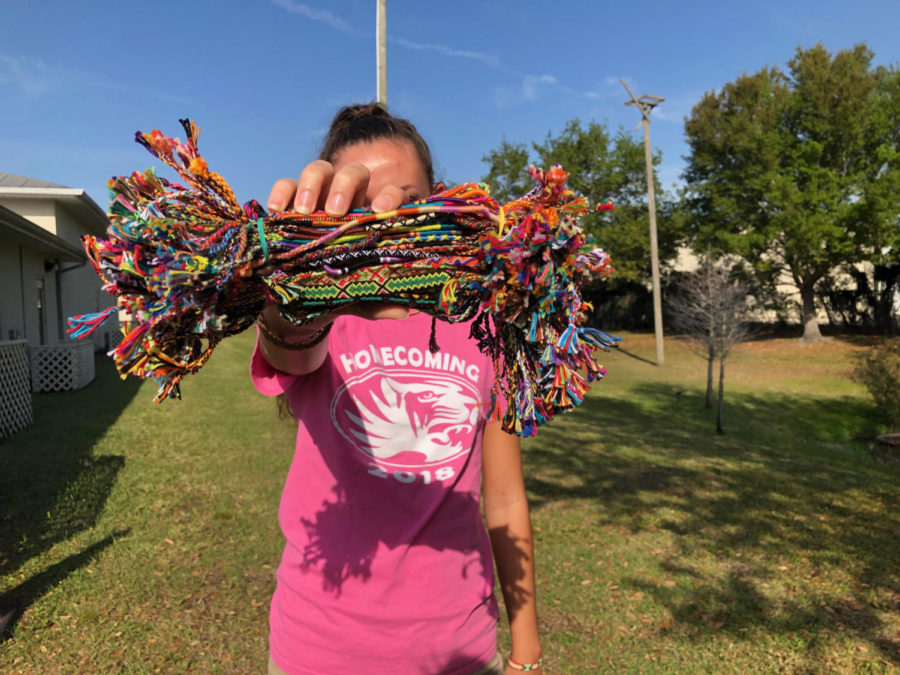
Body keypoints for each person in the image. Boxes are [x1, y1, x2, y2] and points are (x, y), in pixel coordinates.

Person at [252, 103, 544, 675]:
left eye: (408, 204)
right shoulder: (323, 318)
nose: (386, 225)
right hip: (318, 650)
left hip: (458, 649)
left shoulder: (485, 327)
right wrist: (299, 297)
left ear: (443, 199)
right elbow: (289, 340)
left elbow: (506, 500)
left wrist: (526, 650)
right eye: (358, 210)